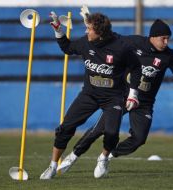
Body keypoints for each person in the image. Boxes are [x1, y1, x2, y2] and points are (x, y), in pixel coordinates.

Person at [56, 7, 173, 178]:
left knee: (139, 139)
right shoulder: (134, 42)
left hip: (144, 103)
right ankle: (73, 157)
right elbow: (109, 36)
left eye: (168, 39)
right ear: (153, 37)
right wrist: (90, 20)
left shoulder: (169, 56)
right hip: (123, 96)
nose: (166, 42)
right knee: (98, 130)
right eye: (164, 38)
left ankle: (107, 156)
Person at [39, 11, 141, 180]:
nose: (86, 32)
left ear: (100, 32)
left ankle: (103, 159)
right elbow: (67, 48)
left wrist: (133, 94)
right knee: (65, 128)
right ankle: (52, 166)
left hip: (114, 97)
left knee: (111, 133)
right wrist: (58, 29)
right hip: (89, 94)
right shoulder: (86, 43)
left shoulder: (121, 47)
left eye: (89, 29)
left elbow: (137, 68)